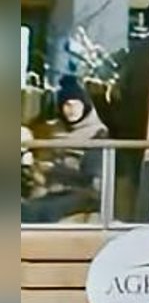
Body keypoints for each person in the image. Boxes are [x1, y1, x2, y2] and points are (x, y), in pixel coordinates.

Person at [23, 75, 109, 223]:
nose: (71, 110)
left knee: (39, 211)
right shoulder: (52, 130)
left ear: (85, 105)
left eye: (76, 104)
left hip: (80, 193)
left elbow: (93, 179)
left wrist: (54, 170)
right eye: (67, 105)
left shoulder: (97, 134)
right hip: (46, 188)